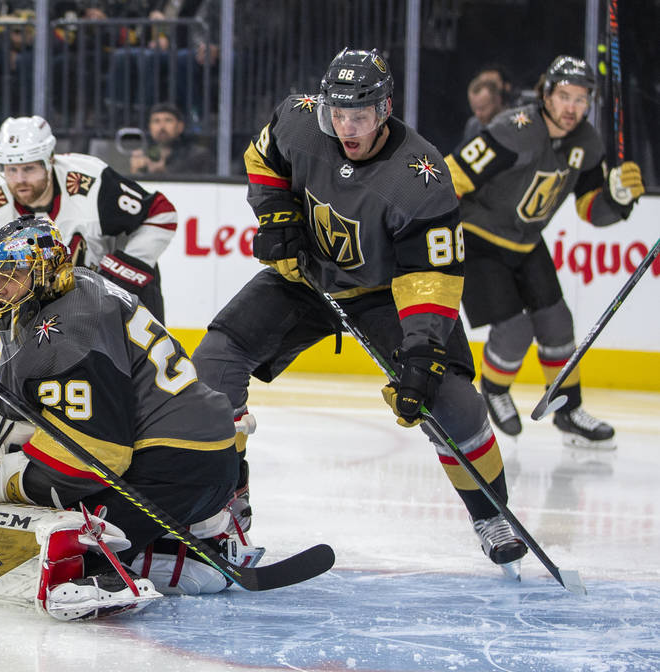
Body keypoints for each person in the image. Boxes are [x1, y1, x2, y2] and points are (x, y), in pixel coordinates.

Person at [191, 47, 529, 577]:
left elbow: (432, 277)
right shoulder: (299, 120)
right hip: (306, 276)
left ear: (385, 109)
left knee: (452, 402)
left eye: (362, 116)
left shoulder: (421, 176)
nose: (348, 126)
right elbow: (263, 159)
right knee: (215, 361)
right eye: (339, 113)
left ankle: (492, 516)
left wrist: (420, 352)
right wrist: (276, 213)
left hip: (387, 292)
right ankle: (226, 503)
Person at [0, 214, 257, 620]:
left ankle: (111, 573)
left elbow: (98, 455)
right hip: (195, 458)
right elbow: (49, 409)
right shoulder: (72, 288)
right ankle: (196, 539)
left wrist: (7, 479)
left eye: (13, 275)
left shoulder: (67, 329)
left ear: (43, 273)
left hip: (176, 466)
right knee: (64, 501)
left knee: (69, 529)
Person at [443, 55, 644, 450]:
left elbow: (591, 209)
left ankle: (567, 410)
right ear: (546, 93)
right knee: (515, 331)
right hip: (478, 239)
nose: (572, 108)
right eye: (564, 96)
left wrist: (617, 200)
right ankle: (496, 389)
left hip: (527, 242)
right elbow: (454, 174)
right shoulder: (513, 130)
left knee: (557, 323)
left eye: (581, 100)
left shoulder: (587, 143)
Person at [0, 115, 177, 327]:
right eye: (11, 169)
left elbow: (160, 213)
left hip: (125, 297)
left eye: (29, 168)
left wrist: (122, 273)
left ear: (50, 160)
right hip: (52, 312)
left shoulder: (91, 182)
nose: (20, 180)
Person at [129, 101, 212, 175]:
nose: (162, 127)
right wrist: (136, 172)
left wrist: (164, 172)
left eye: (168, 120)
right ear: (149, 127)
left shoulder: (197, 155)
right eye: (156, 121)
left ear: (180, 127)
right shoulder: (143, 153)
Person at [458, 64, 512, 148]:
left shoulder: (515, 121)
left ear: (497, 100)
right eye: (474, 108)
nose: (478, 114)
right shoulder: (473, 125)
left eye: (482, 108)